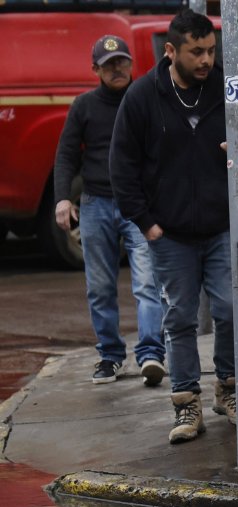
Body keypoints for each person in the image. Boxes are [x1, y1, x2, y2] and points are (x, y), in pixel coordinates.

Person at [109, 10, 238, 445]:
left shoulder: (228, 86)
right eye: (195, 52)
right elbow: (121, 165)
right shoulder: (143, 96)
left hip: (224, 228)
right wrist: (146, 223)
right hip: (171, 234)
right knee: (180, 318)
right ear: (171, 51)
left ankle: (229, 389)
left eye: (210, 50)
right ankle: (186, 402)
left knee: (229, 311)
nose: (205, 60)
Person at [54, 35, 166, 387]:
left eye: (122, 62)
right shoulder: (83, 106)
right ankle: (110, 356)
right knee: (100, 287)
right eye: (108, 65)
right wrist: (62, 198)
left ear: (132, 63)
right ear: (95, 70)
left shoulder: (147, 98)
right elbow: (66, 155)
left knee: (148, 283)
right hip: (95, 204)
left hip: (139, 205)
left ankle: (151, 354)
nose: (117, 69)